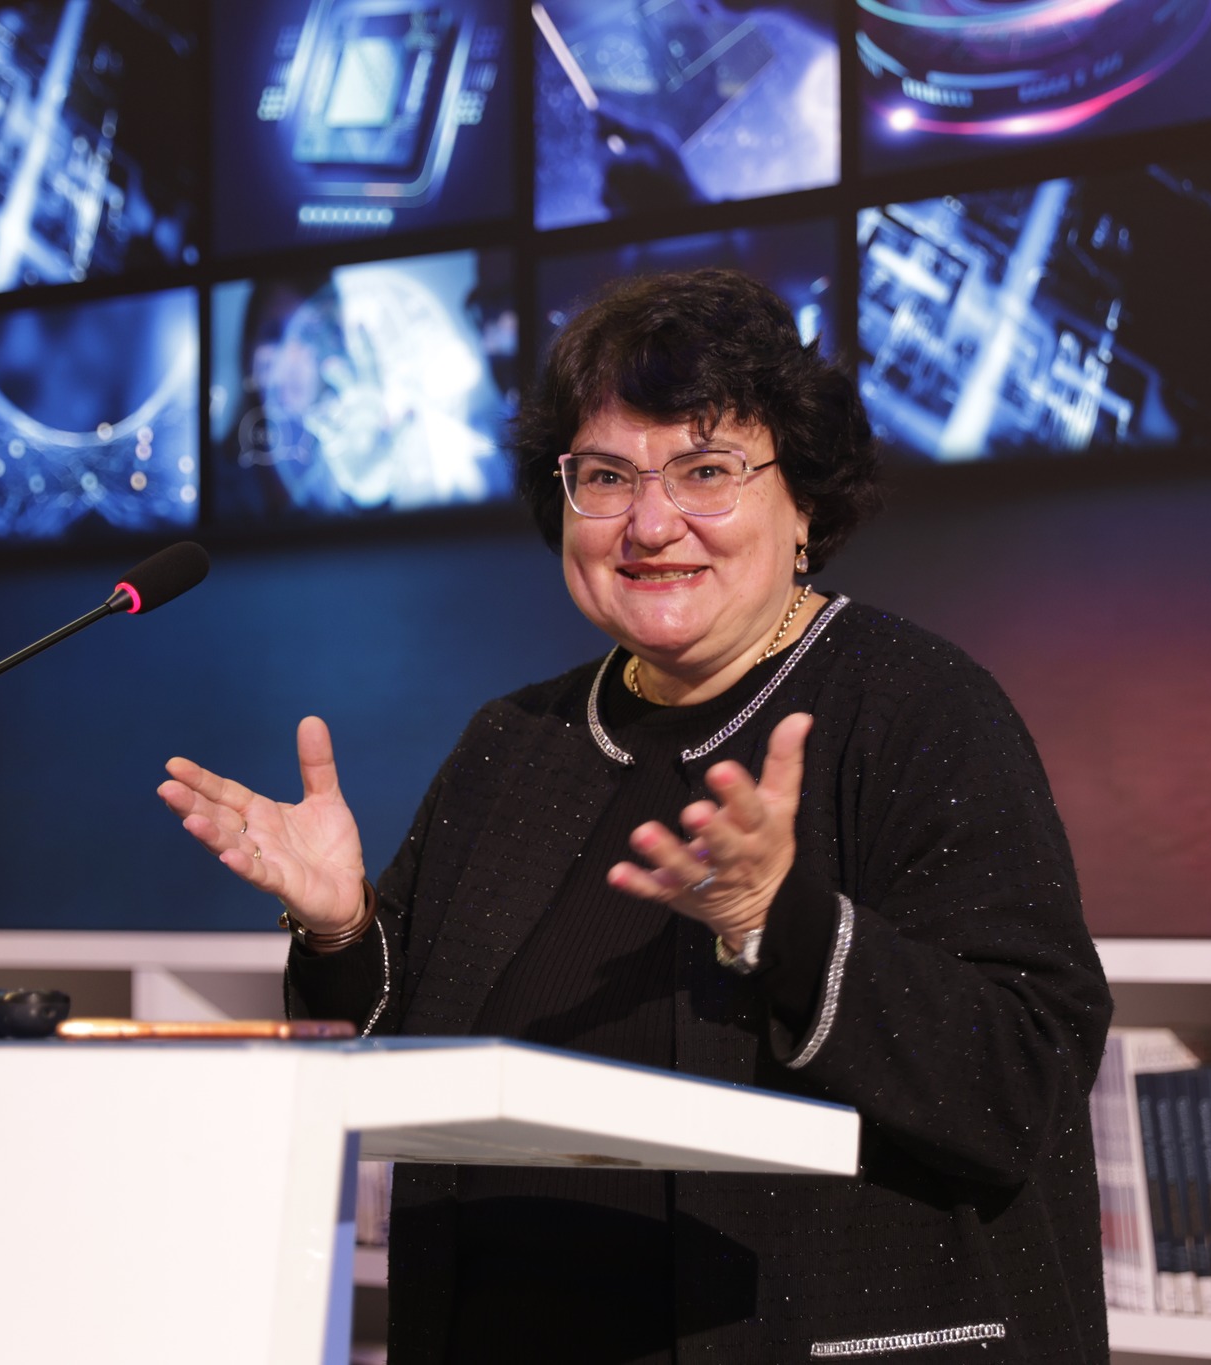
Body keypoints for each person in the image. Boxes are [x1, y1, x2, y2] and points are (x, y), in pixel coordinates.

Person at [158, 269, 1111, 1363]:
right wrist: (342, 931)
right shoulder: (515, 743)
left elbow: (1025, 1079)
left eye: (706, 471)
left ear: (803, 501)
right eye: (606, 477)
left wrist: (780, 925)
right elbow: (405, 1070)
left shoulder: (916, 705)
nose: (652, 524)